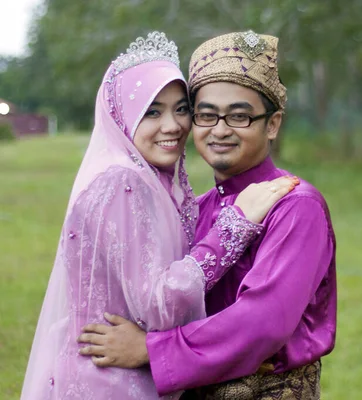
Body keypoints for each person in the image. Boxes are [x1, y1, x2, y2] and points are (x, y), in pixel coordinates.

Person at [20, 31, 297, 400]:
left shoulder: (159, 187)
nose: (173, 126)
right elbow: (157, 306)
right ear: (123, 117)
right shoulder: (123, 183)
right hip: (110, 381)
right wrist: (234, 227)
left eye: (181, 109)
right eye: (152, 111)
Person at [78, 31, 337, 399]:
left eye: (239, 117)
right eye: (205, 115)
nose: (219, 130)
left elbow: (265, 322)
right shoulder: (198, 208)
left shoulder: (295, 205)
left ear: (273, 124)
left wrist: (150, 349)